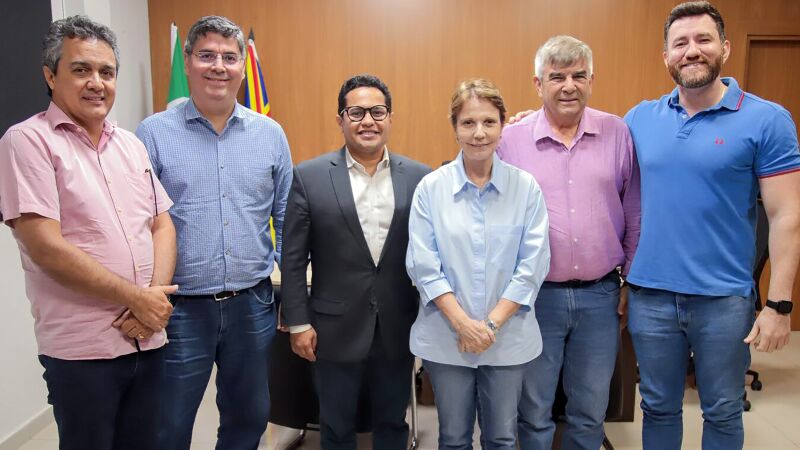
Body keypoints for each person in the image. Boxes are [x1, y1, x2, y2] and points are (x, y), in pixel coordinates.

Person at [623, 2, 800, 449]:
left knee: (722, 409)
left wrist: (779, 306)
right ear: (666, 56)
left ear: (724, 47)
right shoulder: (640, 118)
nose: (692, 51)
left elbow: (786, 216)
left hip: (723, 300)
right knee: (657, 407)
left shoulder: (766, 119)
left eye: (703, 40)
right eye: (680, 43)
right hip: (651, 296)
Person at [0, 15, 176, 450]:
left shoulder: (131, 144)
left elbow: (161, 222)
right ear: (50, 75)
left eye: (107, 71)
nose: (97, 82)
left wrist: (153, 300)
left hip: (149, 337)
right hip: (83, 353)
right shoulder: (27, 141)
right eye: (81, 69)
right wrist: (138, 298)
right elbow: (46, 246)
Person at [135, 15, 293, 450]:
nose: (218, 66)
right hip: (181, 309)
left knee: (248, 420)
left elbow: (286, 217)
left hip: (253, 305)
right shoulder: (153, 134)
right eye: (206, 55)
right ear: (187, 63)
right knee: (168, 424)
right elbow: (139, 221)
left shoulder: (270, 134)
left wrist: (288, 295)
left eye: (228, 56)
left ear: (243, 65)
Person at [497, 35, 640, 450]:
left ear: (591, 79)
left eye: (578, 75)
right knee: (534, 407)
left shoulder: (617, 133)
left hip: (601, 296)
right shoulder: (512, 139)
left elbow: (634, 211)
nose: (568, 85)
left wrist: (630, 280)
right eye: (556, 76)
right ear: (537, 84)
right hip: (535, 298)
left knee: (591, 408)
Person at [281, 74, 429, 450]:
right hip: (332, 327)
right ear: (340, 119)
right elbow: (294, 259)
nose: (368, 121)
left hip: (398, 322)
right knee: (335, 424)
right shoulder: (309, 176)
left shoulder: (420, 177)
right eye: (357, 112)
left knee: (393, 421)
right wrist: (298, 322)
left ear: (390, 118)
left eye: (378, 111)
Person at [406, 79, 550, 449]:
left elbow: (532, 265)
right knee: (453, 437)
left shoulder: (526, 188)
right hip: (446, 337)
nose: (479, 133)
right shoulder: (431, 189)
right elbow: (423, 265)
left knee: (502, 436)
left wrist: (488, 325)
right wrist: (463, 325)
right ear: (454, 128)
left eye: (489, 122)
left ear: (503, 125)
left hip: (507, 336)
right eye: (468, 123)